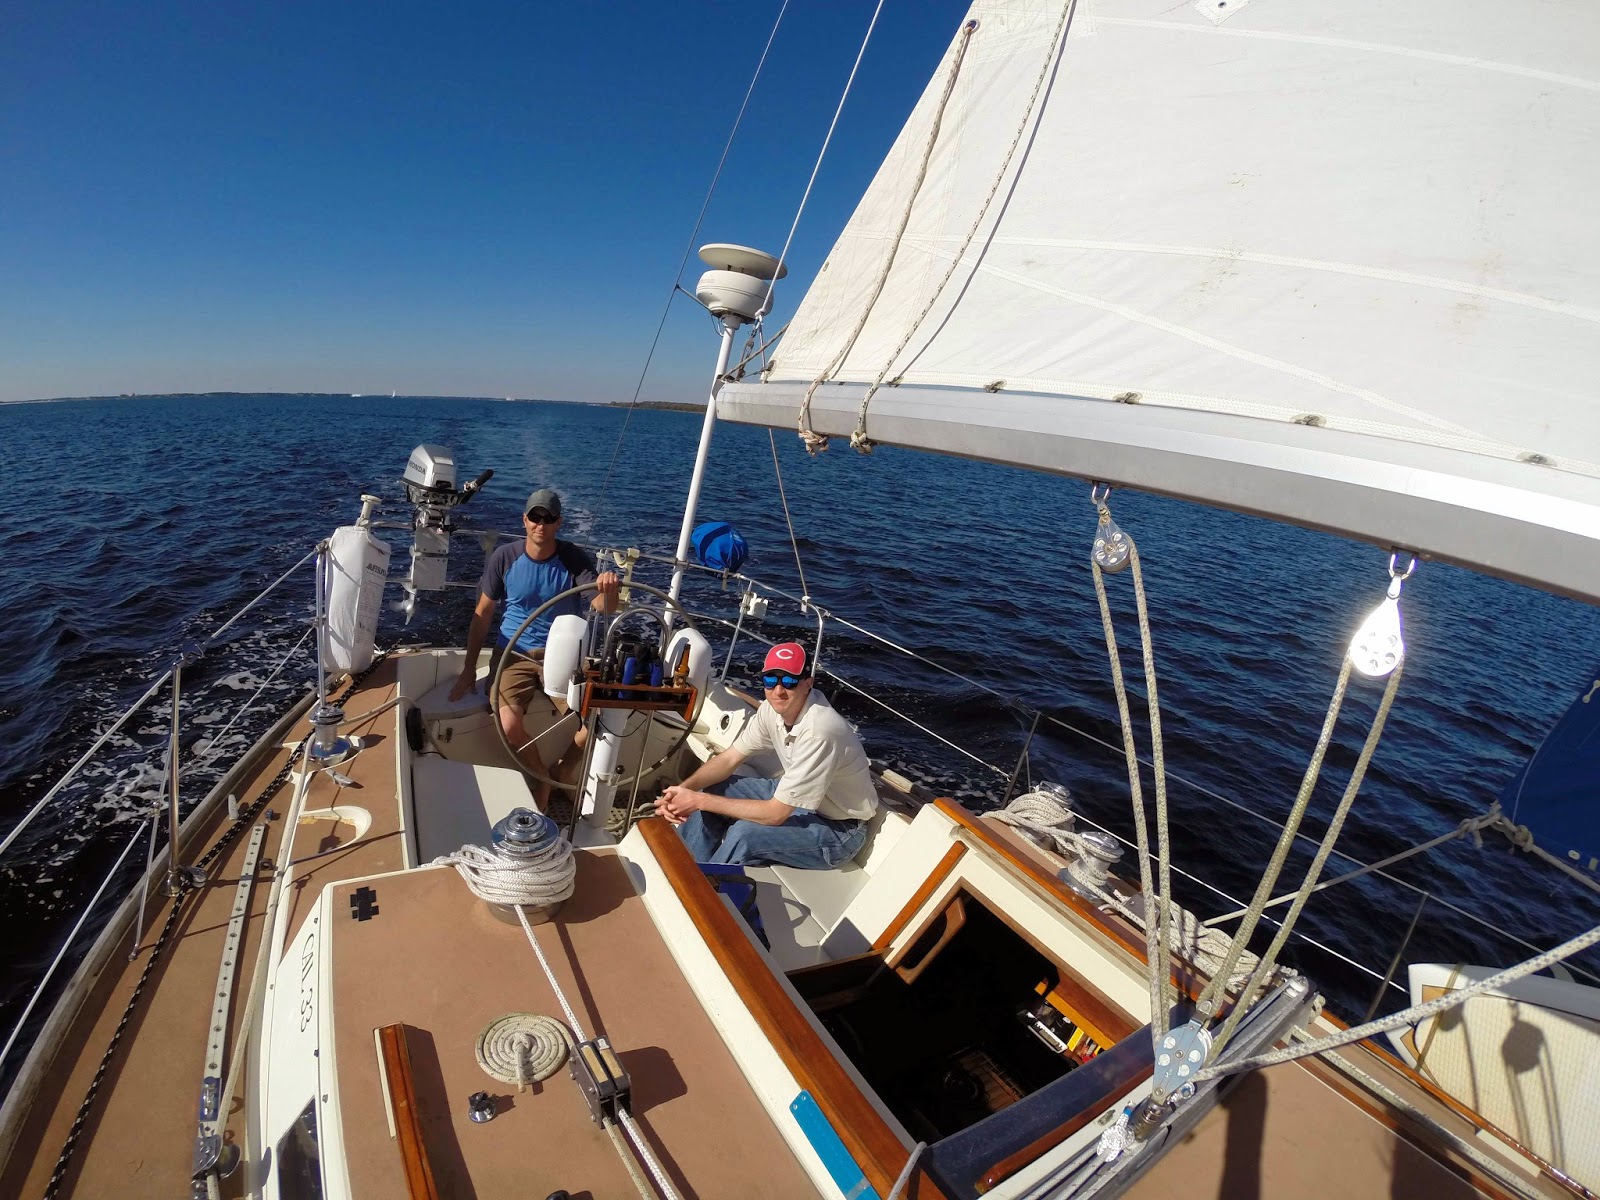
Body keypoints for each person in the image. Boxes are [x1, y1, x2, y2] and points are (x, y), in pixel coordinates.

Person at [449, 487, 619, 805]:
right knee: (508, 725)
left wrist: (609, 590)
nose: (541, 524)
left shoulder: (572, 557)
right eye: (535, 517)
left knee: (601, 717)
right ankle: (542, 778)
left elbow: (602, 606)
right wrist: (469, 669)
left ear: (559, 523)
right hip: (513, 652)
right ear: (524, 520)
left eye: (548, 518)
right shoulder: (505, 557)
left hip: (564, 655)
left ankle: (563, 770)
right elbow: (482, 614)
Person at [655, 642, 877, 868]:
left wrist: (699, 801)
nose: (778, 691)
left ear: (808, 684)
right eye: (770, 680)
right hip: (803, 803)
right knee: (712, 788)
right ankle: (678, 866)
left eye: (789, 681)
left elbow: (776, 814)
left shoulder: (820, 731)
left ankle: (703, 884)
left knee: (744, 833)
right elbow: (730, 758)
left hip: (840, 830)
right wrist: (684, 790)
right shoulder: (771, 710)